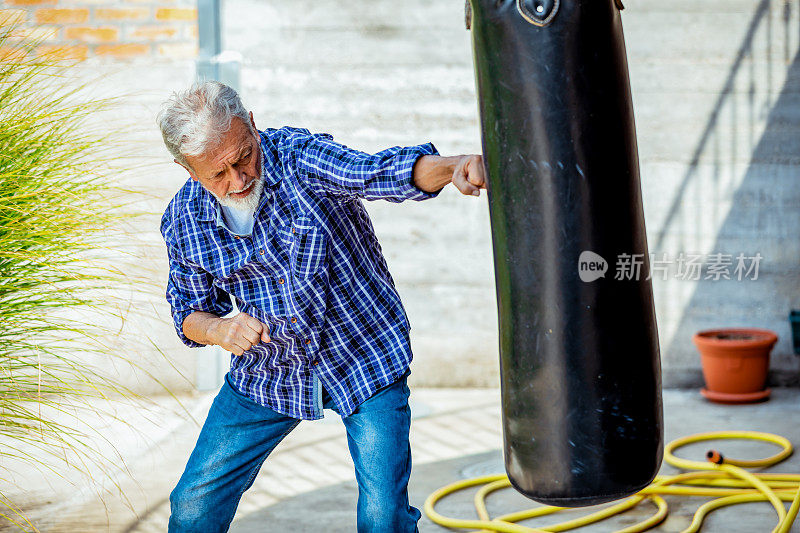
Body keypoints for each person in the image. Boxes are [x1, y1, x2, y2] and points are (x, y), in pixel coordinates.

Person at [157, 81, 486, 532]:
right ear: (186, 168)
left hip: (363, 356)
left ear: (252, 124)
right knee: (192, 505)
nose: (238, 180)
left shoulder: (298, 157)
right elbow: (189, 312)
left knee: (382, 516)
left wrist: (454, 167)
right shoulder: (183, 220)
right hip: (269, 372)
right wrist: (221, 330)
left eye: (244, 157)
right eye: (218, 174)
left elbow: (377, 172)